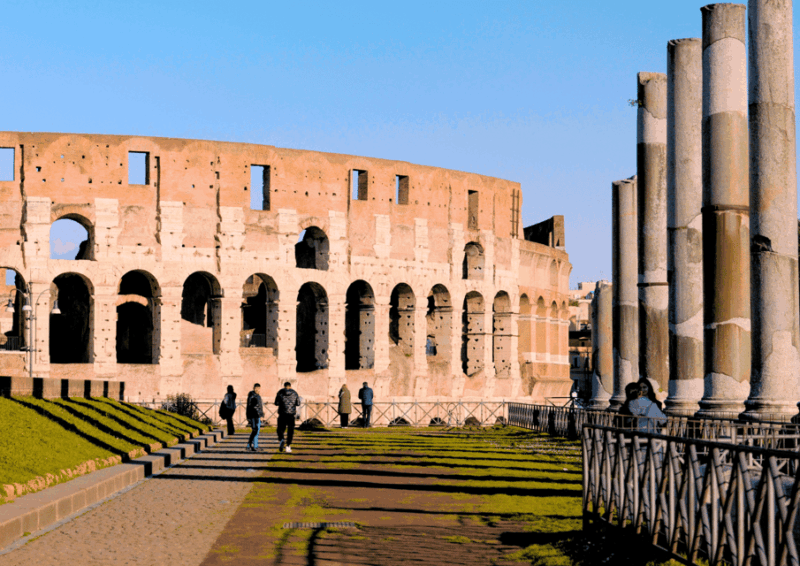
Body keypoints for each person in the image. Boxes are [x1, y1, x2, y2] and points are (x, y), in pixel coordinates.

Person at [275, 381, 301, 452]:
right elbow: (298, 403)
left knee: (280, 429)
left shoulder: (280, 392)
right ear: (290, 386)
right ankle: (288, 446)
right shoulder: (295, 393)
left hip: (282, 414)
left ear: (284, 386)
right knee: (290, 431)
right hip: (291, 415)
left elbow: (276, 403)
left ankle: (281, 439)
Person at [245, 383, 264, 452]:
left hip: (258, 415)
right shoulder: (252, 396)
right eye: (256, 388)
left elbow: (260, 406)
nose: (257, 390)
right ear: (254, 388)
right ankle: (252, 445)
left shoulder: (258, 396)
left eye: (258, 388)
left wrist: (262, 415)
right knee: (255, 430)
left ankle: (252, 445)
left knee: (256, 430)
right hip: (253, 415)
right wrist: (248, 416)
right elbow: (249, 407)